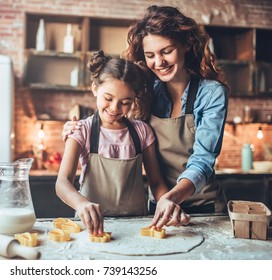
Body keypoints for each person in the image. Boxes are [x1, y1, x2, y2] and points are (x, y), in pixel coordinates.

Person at [62, 5, 229, 229]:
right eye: (150, 55)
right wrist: (74, 131)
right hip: (158, 207)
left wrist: (171, 199)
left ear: (186, 45)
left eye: (166, 51)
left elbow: (203, 160)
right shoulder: (147, 90)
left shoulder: (211, 93)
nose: (158, 62)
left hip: (203, 206)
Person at [56, 50, 171, 235]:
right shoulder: (81, 130)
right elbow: (62, 183)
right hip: (92, 227)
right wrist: (81, 204)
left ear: (134, 99)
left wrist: (166, 202)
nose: (114, 108)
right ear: (95, 89)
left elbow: (156, 182)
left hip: (136, 225)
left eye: (125, 102)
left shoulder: (142, 131)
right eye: (108, 98)